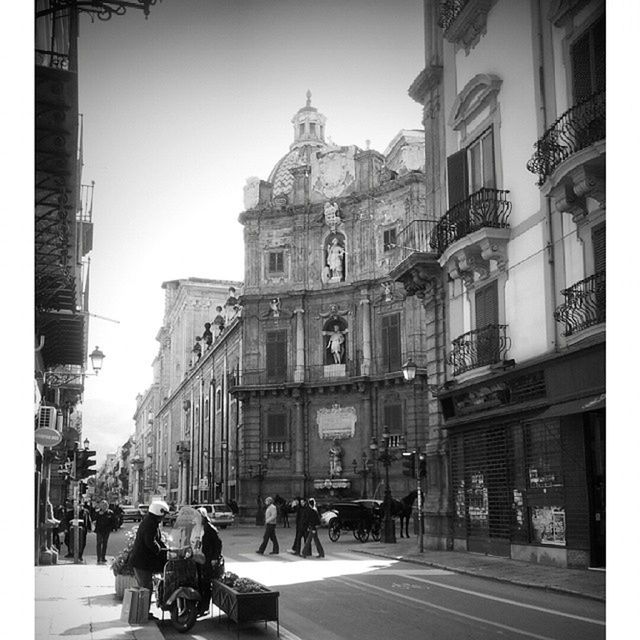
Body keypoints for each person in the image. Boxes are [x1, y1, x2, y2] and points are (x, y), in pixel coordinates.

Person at [129, 500, 170, 620]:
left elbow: (157, 540)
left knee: (147, 587)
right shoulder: (150, 524)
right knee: (146, 588)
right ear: (159, 512)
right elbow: (150, 542)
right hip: (141, 563)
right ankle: (143, 614)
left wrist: (166, 548)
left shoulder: (151, 522)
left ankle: (143, 613)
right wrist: (160, 550)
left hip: (142, 562)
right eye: (164, 514)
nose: (164, 517)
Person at [196, 507, 223, 616]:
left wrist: (214, 558)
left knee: (206, 584)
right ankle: (199, 605)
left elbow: (218, 544)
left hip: (208, 559)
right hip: (198, 558)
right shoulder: (197, 527)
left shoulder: (210, 528)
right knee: (199, 583)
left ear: (203, 516)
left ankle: (204, 607)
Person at [93, 500, 115, 564]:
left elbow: (113, 521)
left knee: (105, 543)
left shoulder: (110, 513)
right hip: (99, 530)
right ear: (100, 506)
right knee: (99, 543)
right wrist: (99, 515)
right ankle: (98, 557)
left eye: (105, 505)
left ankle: (103, 557)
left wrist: (112, 528)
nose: (104, 507)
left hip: (106, 530)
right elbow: (94, 520)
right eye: (102, 505)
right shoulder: (97, 512)